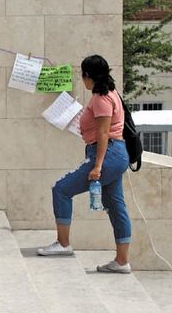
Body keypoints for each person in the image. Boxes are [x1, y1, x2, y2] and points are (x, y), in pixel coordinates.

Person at [37, 55, 132, 273]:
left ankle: (63, 244)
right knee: (116, 206)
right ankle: (121, 261)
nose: (82, 80)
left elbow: (103, 133)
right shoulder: (112, 93)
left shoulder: (101, 98)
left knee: (61, 189)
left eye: (83, 75)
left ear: (88, 75)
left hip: (107, 155)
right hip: (116, 155)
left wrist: (97, 166)